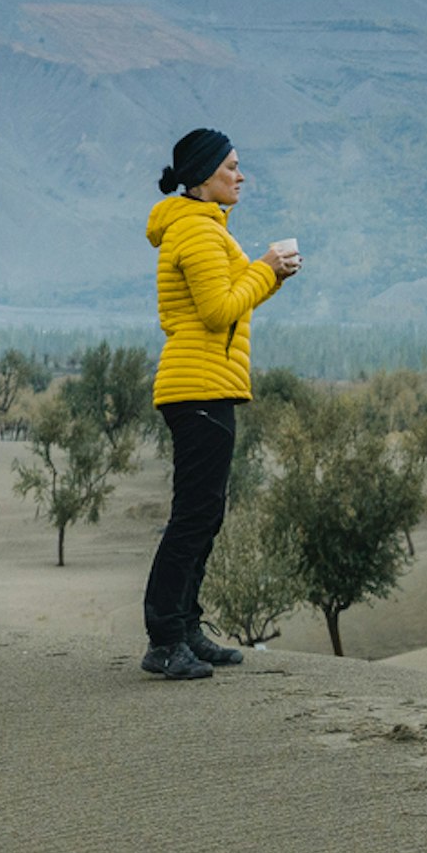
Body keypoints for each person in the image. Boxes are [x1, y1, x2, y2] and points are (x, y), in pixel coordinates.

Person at [139, 128, 301, 680]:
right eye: (232, 166)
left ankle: (185, 628)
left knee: (206, 513)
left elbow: (228, 304)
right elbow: (216, 311)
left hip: (207, 384)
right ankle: (164, 639)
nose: (240, 175)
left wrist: (268, 276)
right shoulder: (199, 233)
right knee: (193, 516)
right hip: (199, 387)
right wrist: (265, 269)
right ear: (205, 175)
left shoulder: (202, 228)